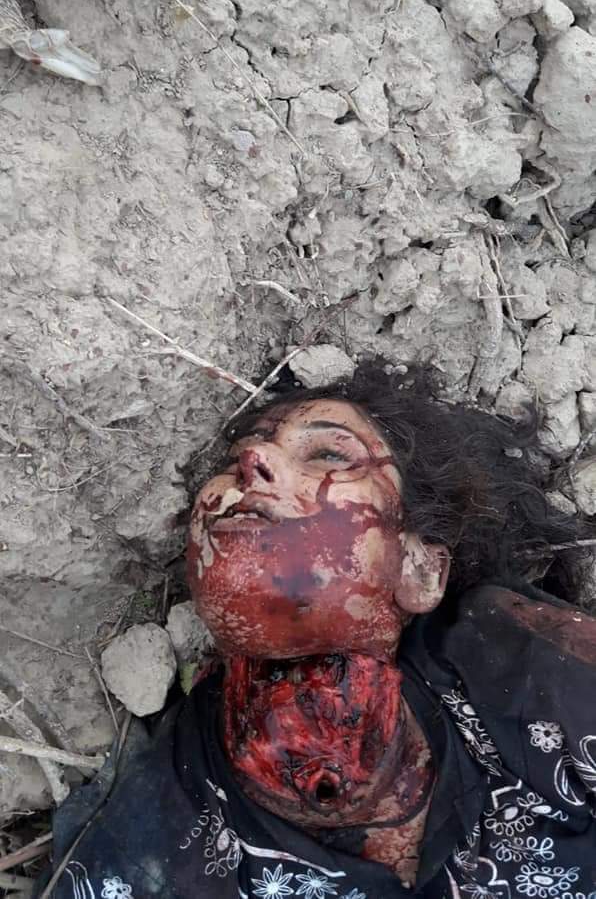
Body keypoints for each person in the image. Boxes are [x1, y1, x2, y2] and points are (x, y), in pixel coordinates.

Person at [37, 362, 596, 899]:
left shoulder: (515, 666)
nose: (251, 460)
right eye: (233, 459)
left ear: (421, 569)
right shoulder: (151, 841)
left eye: (330, 454)